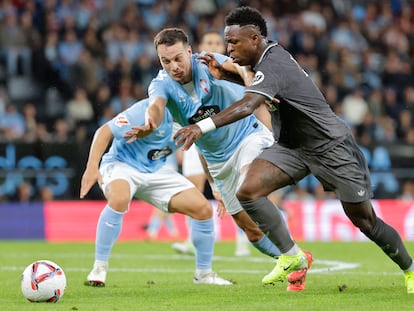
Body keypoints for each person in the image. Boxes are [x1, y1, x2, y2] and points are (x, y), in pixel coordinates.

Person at [174, 6, 414, 294]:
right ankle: (292, 257)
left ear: (254, 39)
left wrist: (202, 126)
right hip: (292, 148)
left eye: (233, 42)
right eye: (227, 42)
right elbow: (264, 89)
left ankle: (410, 270)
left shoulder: (273, 63)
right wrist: (227, 76)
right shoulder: (264, 63)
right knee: (247, 190)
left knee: (365, 221)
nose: (228, 48)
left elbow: (250, 104)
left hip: (331, 147)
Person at [124, 28, 311, 291]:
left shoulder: (208, 60)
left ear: (190, 51)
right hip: (217, 160)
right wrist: (150, 124)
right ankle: (295, 259)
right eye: (165, 61)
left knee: (250, 182)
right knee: (252, 231)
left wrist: (251, 84)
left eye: (178, 58)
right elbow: (156, 107)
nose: (173, 67)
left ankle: (287, 224)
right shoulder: (160, 84)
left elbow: (245, 72)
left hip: (248, 137)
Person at [80, 98, 231, 286]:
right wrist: (92, 166)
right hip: (122, 164)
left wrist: (215, 187)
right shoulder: (146, 110)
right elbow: (105, 130)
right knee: (119, 199)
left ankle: (204, 274)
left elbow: (203, 152)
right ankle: (99, 267)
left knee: (203, 209)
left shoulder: (193, 120)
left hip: (155, 170)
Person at [172, 30, 252, 257]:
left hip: (231, 137)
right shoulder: (192, 71)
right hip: (198, 138)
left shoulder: (231, 71)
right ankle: (192, 238)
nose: (215, 46)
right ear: (201, 47)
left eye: (218, 42)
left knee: (239, 190)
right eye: (210, 42)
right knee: (194, 190)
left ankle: (242, 239)